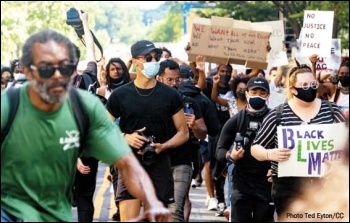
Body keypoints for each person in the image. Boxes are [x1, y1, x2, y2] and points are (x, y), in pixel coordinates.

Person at [0, 29, 170, 222]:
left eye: (65, 68)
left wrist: (151, 200)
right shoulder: (9, 106)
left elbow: (127, 163)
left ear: (74, 71)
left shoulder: (85, 107)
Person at [106, 40, 189, 221]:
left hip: (160, 165)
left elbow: (184, 132)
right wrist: (125, 137)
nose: (153, 61)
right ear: (135, 61)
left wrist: (164, 146)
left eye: (156, 57)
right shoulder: (120, 94)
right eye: (148, 57)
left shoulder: (170, 95)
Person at [250, 61, 346, 220]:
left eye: (313, 83)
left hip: (325, 186)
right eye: (305, 85)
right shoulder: (278, 115)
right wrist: (269, 153)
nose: (311, 88)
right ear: (293, 89)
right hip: (288, 188)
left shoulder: (331, 111)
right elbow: (255, 148)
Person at [216, 77, 274, 222]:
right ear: (247, 93)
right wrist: (232, 156)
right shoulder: (236, 120)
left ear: (268, 96)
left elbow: (288, 148)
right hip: (242, 183)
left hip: (267, 183)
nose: (258, 95)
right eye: (254, 91)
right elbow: (219, 150)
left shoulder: (275, 119)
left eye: (262, 92)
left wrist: (277, 168)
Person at [157, 58, 207, 222]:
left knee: (175, 210)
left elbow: (203, 133)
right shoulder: (151, 102)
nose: (173, 83)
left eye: (176, 80)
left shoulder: (189, 102)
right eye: (169, 79)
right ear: (159, 78)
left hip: (182, 162)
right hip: (156, 163)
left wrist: (194, 126)